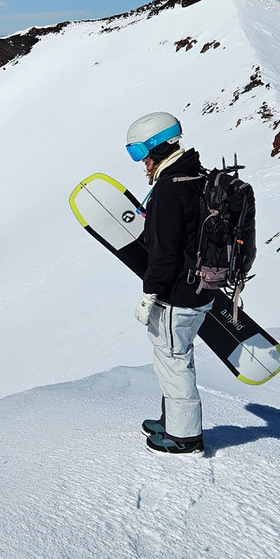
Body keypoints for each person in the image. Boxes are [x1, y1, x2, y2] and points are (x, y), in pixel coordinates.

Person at [125, 111, 215, 456]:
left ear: (157, 147)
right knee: (172, 359)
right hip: (202, 289)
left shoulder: (167, 191)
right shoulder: (197, 177)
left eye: (139, 152)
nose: (141, 161)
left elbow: (164, 254)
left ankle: (185, 438)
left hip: (177, 296)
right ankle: (173, 422)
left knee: (174, 362)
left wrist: (150, 294)